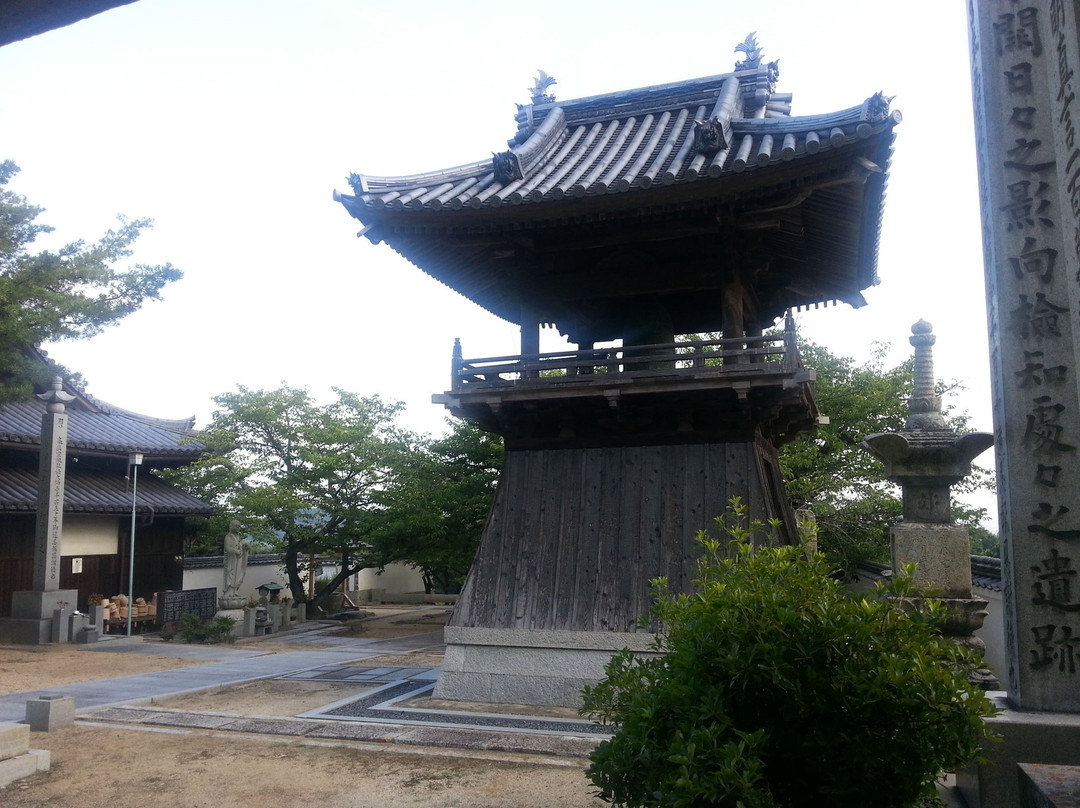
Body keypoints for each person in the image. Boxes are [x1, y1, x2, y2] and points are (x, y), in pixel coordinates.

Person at [222, 520, 248, 598]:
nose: (238, 528)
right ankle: (229, 589)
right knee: (230, 572)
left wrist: (245, 549)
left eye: (239, 527)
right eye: (236, 526)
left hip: (238, 559)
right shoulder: (228, 537)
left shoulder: (238, 537)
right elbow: (227, 548)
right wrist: (235, 551)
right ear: (231, 526)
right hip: (231, 560)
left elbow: (241, 548)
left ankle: (235, 589)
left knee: (238, 573)